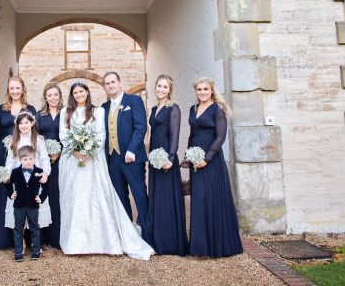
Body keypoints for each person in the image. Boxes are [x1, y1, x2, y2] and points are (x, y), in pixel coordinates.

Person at [58, 82, 154, 260]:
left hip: (93, 160)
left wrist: (88, 149)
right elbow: (63, 134)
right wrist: (76, 150)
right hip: (72, 160)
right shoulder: (65, 112)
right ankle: (75, 241)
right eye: (76, 92)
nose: (79, 94)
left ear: (87, 92)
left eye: (82, 91)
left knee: (96, 196)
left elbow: (101, 134)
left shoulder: (98, 111)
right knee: (74, 196)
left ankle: (102, 239)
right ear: (72, 94)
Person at [183, 77, 243, 258]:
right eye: (199, 89)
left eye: (205, 89)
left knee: (211, 199)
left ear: (211, 91)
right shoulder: (192, 110)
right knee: (198, 200)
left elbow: (220, 137)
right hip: (196, 160)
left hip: (211, 161)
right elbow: (192, 135)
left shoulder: (218, 110)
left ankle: (217, 246)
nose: (202, 92)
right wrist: (188, 156)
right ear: (196, 92)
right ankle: (200, 247)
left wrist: (207, 159)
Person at [100, 71, 151, 240]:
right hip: (112, 159)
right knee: (120, 197)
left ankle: (148, 233)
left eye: (113, 82)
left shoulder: (134, 101)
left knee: (139, 194)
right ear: (105, 87)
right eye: (107, 83)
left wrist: (131, 151)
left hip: (132, 158)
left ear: (120, 83)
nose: (110, 85)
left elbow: (140, 127)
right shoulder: (103, 108)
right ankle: (127, 233)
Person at [147, 74, 188, 256]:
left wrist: (170, 158)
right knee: (156, 196)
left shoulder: (174, 109)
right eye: (159, 86)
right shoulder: (154, 108)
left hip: (165, 157)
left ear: (170, 90)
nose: (161, 89)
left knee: (167, 197)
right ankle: (157, 240)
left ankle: (170, 242)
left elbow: (175, 135)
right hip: (154, 156)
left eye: (165, 87)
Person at [0, 76, 37, 248]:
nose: (15, 91)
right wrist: (7, 144)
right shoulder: (2, 109)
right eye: (12, 88)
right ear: (8, 90)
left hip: (24, 154)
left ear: (23, 89)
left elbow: (34, 131)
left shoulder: (30, 108)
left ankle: (28, 237)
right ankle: (6, 237)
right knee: (7, 192)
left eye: (17, 88)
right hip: (5, 151)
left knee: (25, 190)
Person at [4, 112, 51, 232]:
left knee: (34, 207)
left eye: (26, 123)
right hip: (18, 178)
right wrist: (8, 175)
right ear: (17, 125)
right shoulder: (13, 140)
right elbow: (10, 160)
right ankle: (21, 240)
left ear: (32, 123)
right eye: (21, 123)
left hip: (34, 178)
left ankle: (35, 240)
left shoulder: (38, 139)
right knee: (19, 208)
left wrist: (45, 173)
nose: (24, 126)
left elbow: (44, 158)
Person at [8, 145, 49, 262]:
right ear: (20, 160)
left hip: (33, 205)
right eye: (25, 159)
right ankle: (18, 251)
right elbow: (7, 184)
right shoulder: (15, 172)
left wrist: (41, 198)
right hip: (19, 204)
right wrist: (11, 193)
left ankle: (36, 250)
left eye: (31, 159)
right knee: (18, 228)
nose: (28, 162)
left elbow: (46, 187)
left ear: (34, 159)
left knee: (35, 227)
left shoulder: (39, 172)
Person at [37, 83, 63, 248]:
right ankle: (43, 236)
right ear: (45, 97)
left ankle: (59, 235)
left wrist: (59, 152)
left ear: (60, 96)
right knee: (44, 192)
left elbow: (71, 134)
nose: (53, 98)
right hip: (43, 159)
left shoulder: (66, 113)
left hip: (63, 158)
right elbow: (36, 136)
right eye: (50, 95)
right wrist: (45, 154)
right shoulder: (40, 115)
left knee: (60, 193)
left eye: (56, 95)